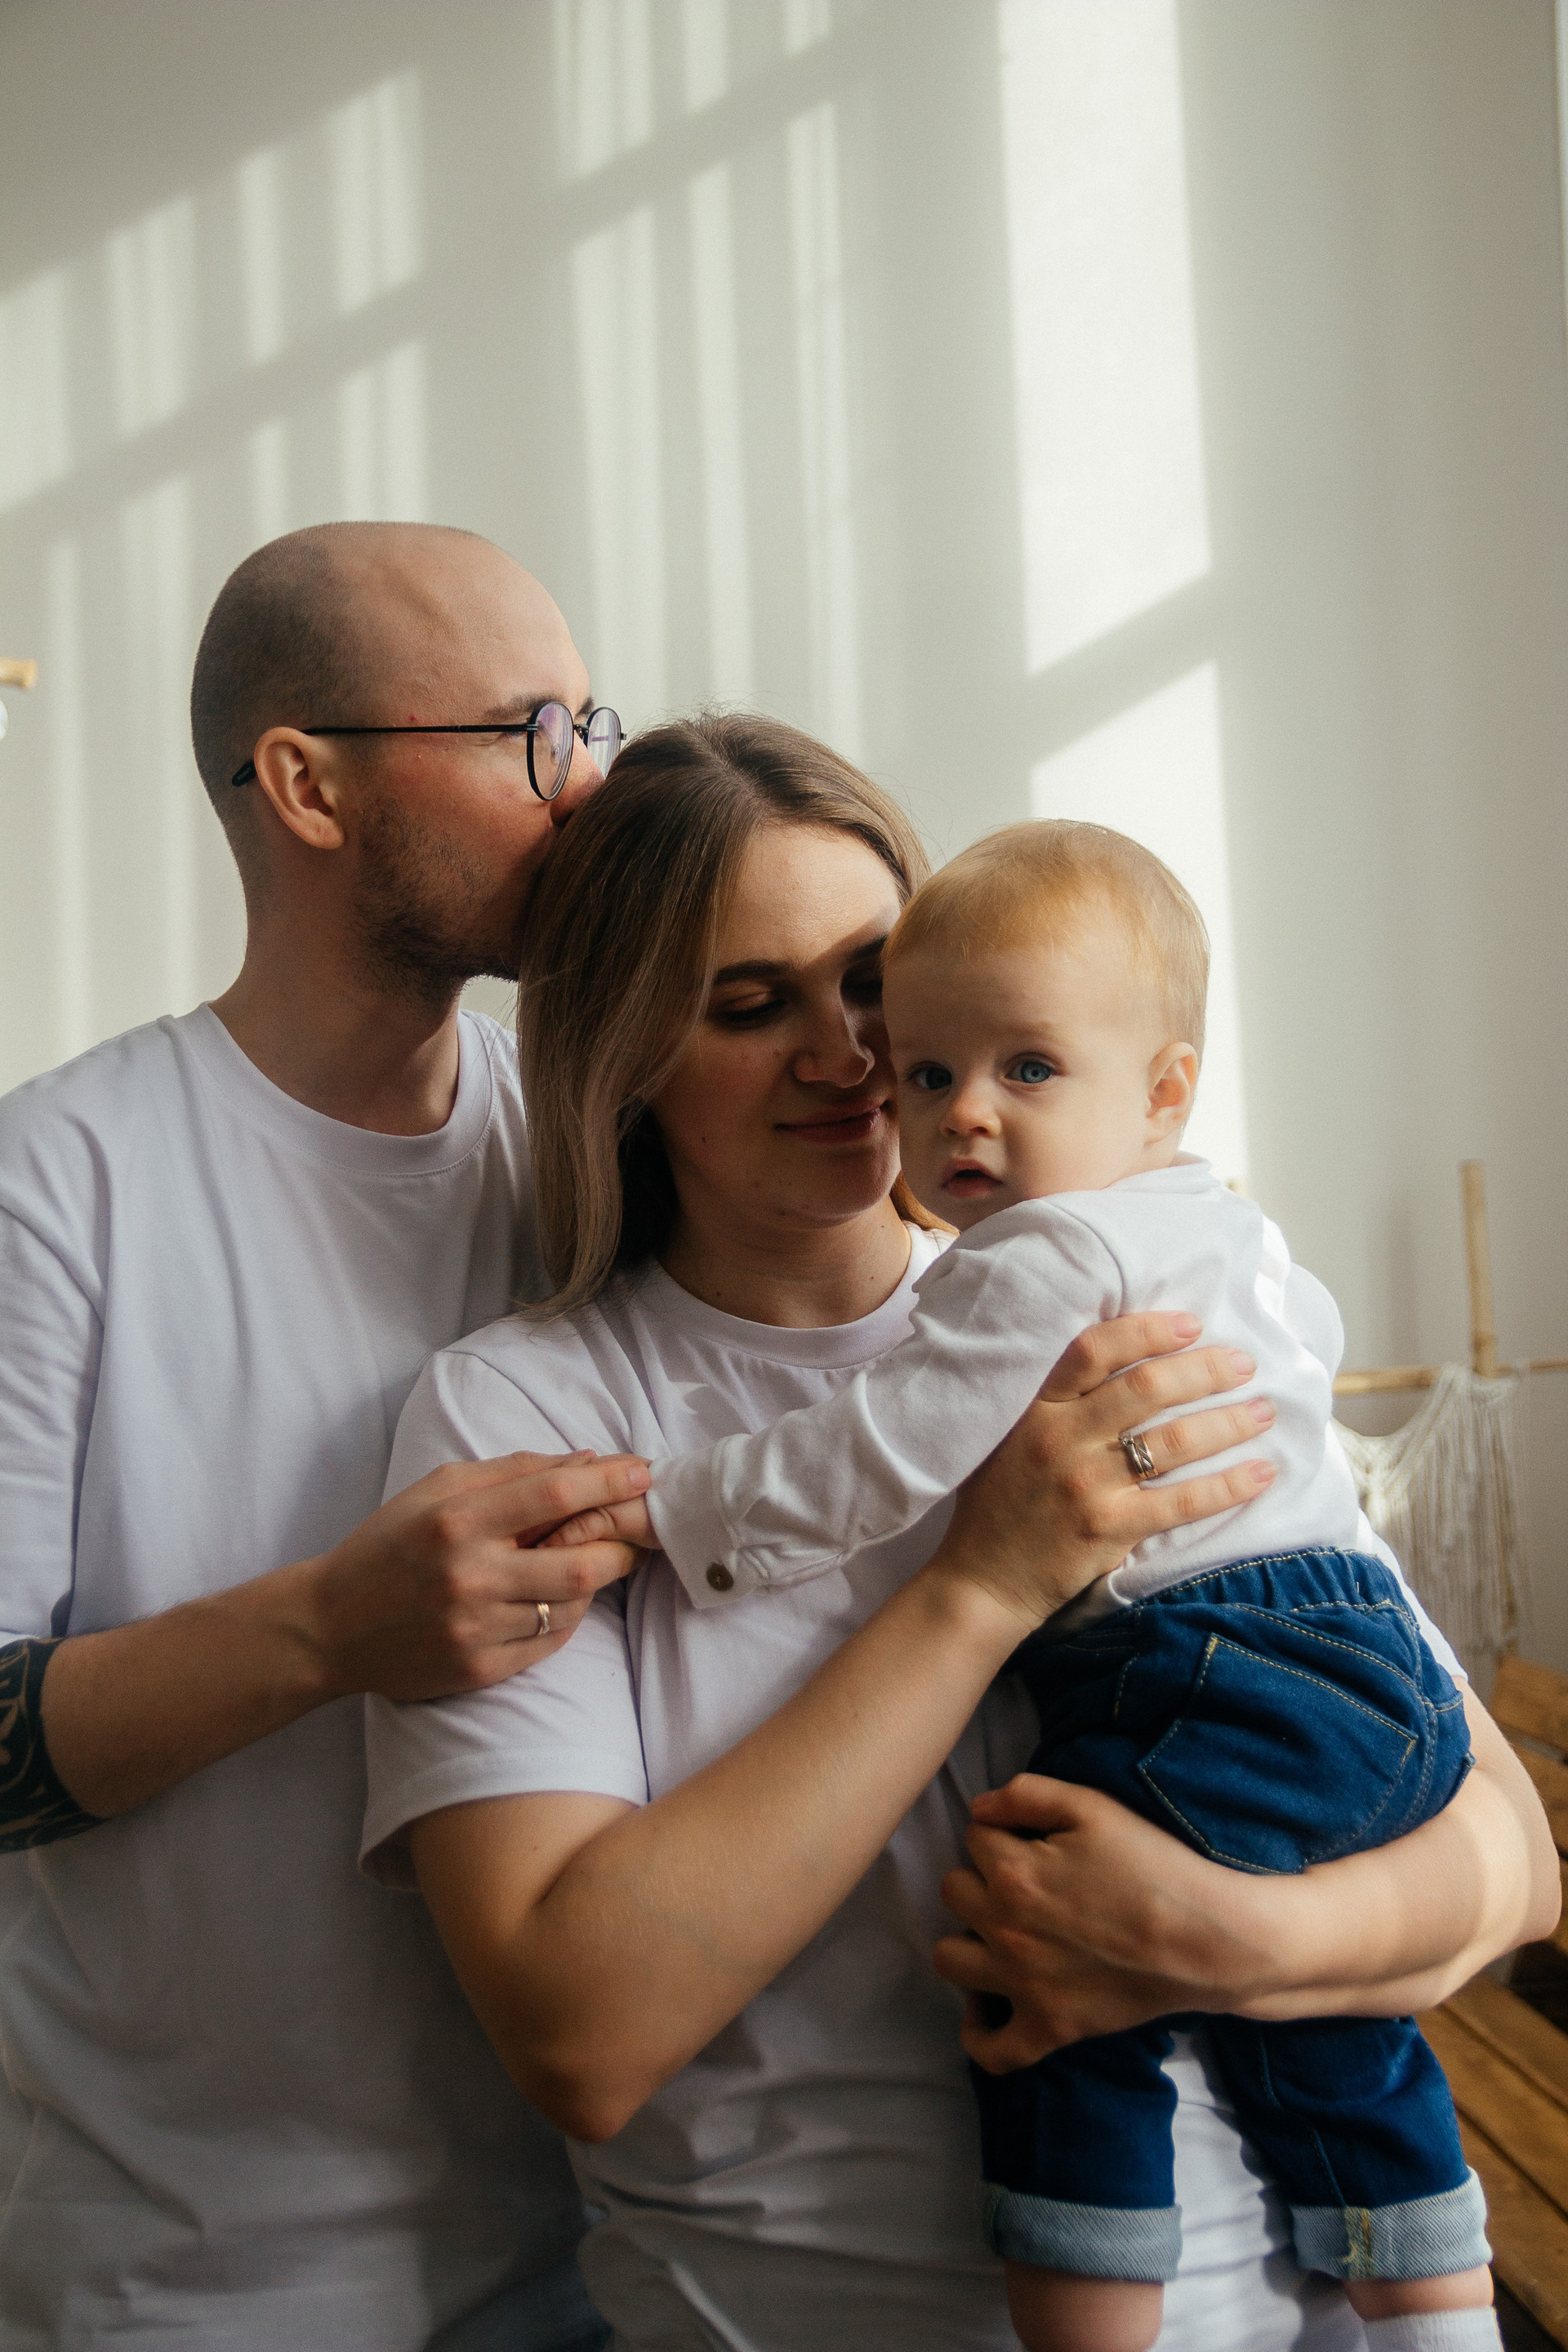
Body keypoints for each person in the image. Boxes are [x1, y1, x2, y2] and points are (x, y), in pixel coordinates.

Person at [359, 715, 1556, 2352]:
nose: (854, 1054)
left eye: (873, 980)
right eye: (751, 1004)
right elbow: (581, 2036)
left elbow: (1508, 1855)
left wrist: (1227, 1937)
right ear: (627, 1050)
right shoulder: (531, 1414)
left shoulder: (1121, 1295)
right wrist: (983, 1583)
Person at [0, 521, 656, 2351]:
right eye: (533, 735)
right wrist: (325, 1630)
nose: (594, 791)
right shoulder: (54, 1186)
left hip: (617, 2264)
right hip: (189, 2288)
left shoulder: (606, 1150)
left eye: (595, 723)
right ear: (307, 786)